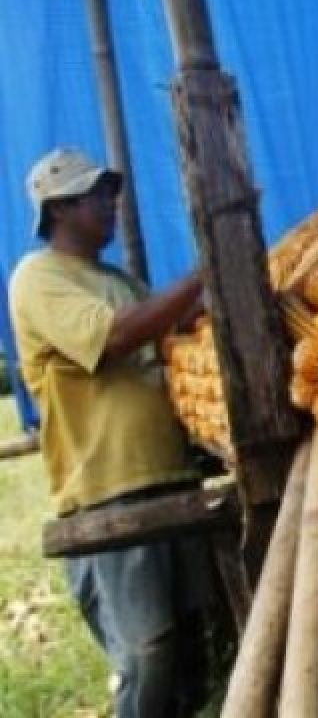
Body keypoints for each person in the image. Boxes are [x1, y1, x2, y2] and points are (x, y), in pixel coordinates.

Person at [8, 148, 210, 717]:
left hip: (171, 477)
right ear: (61, 207)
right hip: (108, 490)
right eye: (98, 195)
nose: (111, 205)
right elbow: (117, 338)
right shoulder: (37, 278)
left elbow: (172, 327)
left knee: (192, 648)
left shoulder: (118, 278)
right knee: (148, 654)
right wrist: (203, 274)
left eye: (111, 193)